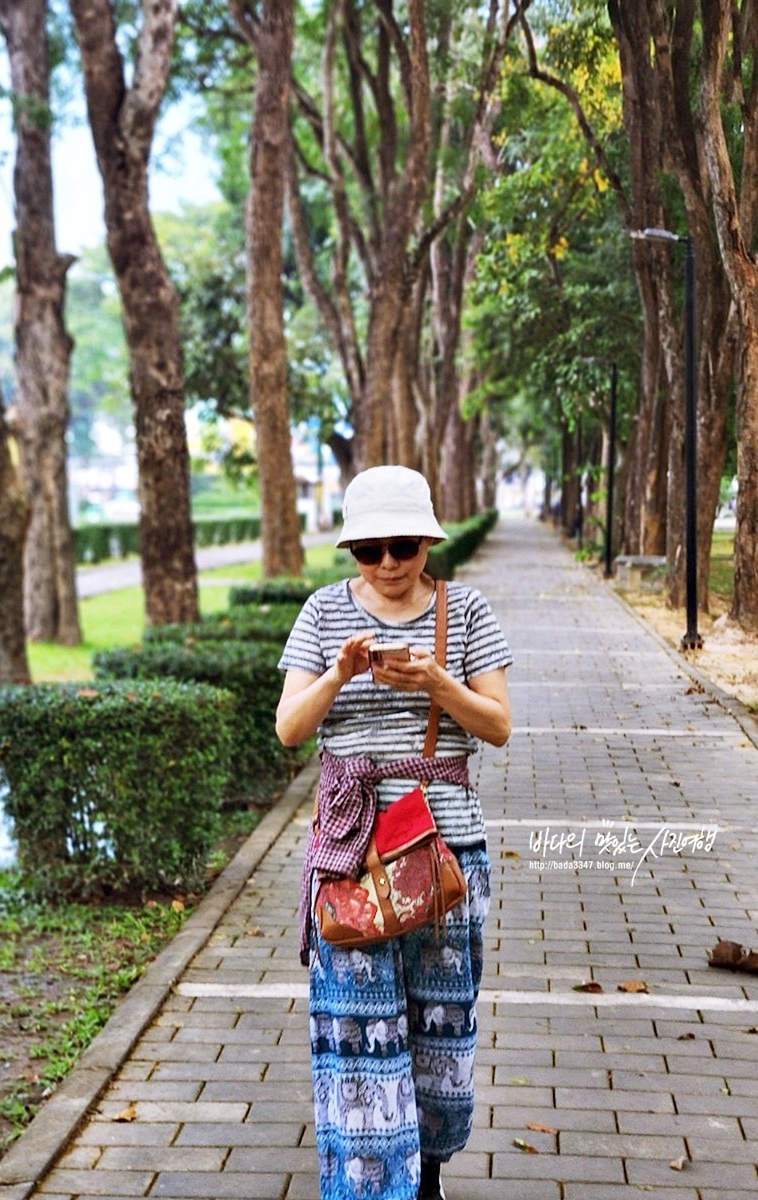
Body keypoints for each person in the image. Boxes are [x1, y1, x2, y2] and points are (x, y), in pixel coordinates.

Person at [276, 465, 512, 1200]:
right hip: (351, 850)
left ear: (428, 542)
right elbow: (289, 729)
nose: (386, 565)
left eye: (402, 547)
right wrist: (338, 675)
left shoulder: (466, 611)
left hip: (448, 851)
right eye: (368, 550)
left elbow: (498, 726)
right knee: (355, 1029)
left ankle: (430, 1173)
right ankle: (373, 1185)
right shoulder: (321, 614)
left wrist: (439, 683)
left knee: (441, 1030)